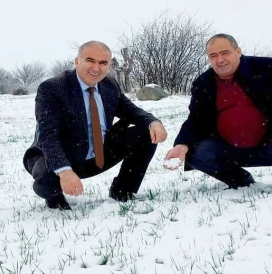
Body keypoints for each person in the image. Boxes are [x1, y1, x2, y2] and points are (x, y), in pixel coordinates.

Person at [164, 33, 272, 192]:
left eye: (225, 53)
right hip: (228, 149)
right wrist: (181, 144)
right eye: (213, 56)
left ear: (238, 51)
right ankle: (240, 180)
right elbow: (196, 118)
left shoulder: (268, 68)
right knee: (194, 153)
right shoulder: (203, 83)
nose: (220, 60)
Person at [23, 41, 167, 210]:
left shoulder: (109, 85)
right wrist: (64, 171)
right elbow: (48, 135)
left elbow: (131, 111)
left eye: (103, 63)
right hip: (61, 156)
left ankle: (122, 191)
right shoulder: (53, 88)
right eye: (90, 60)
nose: (96, 68)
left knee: (146, 132)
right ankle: (56, 197)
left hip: (100, 153)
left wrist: (154, 122)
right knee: (47, 184)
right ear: (77, 61)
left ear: (109, 66)